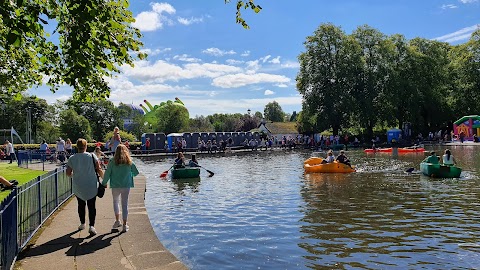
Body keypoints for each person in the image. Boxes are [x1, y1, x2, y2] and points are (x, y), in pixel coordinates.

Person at [66, 138, 104, 235]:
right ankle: (92, 226)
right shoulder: (92, 156)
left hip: (79, 185)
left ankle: (82, 223)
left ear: (76, 147)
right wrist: (104, 180)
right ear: (86, 146)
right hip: (91, 184)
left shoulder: (72, 158)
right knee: (92, 206)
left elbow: (68, 173)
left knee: (81, 205)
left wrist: (74, 176)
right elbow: (99, 169)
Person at [101, 144, 139, 233]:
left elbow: (107, 174)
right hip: (126, 185)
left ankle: (117, 220)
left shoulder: (112, 161)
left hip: (115, 185)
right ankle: (125, 225)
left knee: (115, 202)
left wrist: (104, 183)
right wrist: (130, 175)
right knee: (125, 204)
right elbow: (136, 173)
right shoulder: (129, 161)